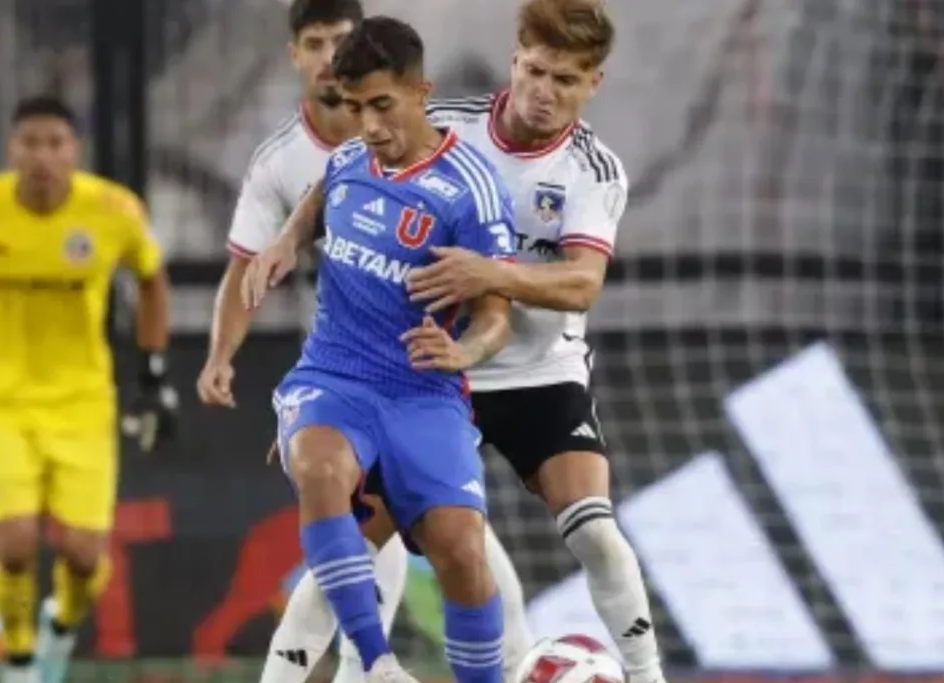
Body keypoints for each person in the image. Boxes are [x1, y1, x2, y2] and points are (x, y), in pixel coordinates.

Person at [279, 1, 668, 682]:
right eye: (538, 71)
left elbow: (582, 283)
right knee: (344, 551)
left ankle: (647, 674)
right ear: (515, 59)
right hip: (425, 378)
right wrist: (287, 240)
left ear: (593, 85)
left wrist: (491, 272)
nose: (546, 93)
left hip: (538, 375)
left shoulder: (593, 171)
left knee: (597, 532)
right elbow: (341, 175)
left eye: (568, 81)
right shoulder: (446, 131)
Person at [197, 2, 532, 682]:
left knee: (465, 555)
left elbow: (499, 312)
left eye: (383, 105)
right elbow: (320, 199)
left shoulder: (470, 191)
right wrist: (288, 242)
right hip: (335, 375)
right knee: (321, 471)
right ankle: (377, 666)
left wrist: (468, 351)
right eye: (356, 108)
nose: (370, 126)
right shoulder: (350, 158)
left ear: (420, 92)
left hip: (423, 390)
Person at [0, 96, 176, 683]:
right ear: (11, 149)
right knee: (11, 544)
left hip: (82, 400)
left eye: (54, 143)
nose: (41, 157)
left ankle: (60, 624)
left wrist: (154, 376)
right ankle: (16, 660)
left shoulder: (111, 210)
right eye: (29, 143)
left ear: (74, 151)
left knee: (85, 557)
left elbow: (152, 280)